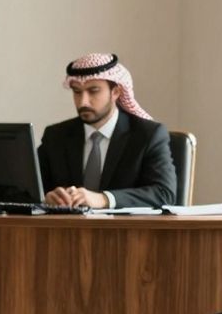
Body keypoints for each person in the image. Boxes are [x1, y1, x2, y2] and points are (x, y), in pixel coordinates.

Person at [38, 53, 175, 209]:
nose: (83, 101)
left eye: (93, 91)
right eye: (77, 92)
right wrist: (46, 197)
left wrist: (104, 199)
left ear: (115, 92)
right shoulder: (56, 136)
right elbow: (26, 189)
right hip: (66, 231)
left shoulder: (147, 135)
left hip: (124, 231)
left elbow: (164, 193)